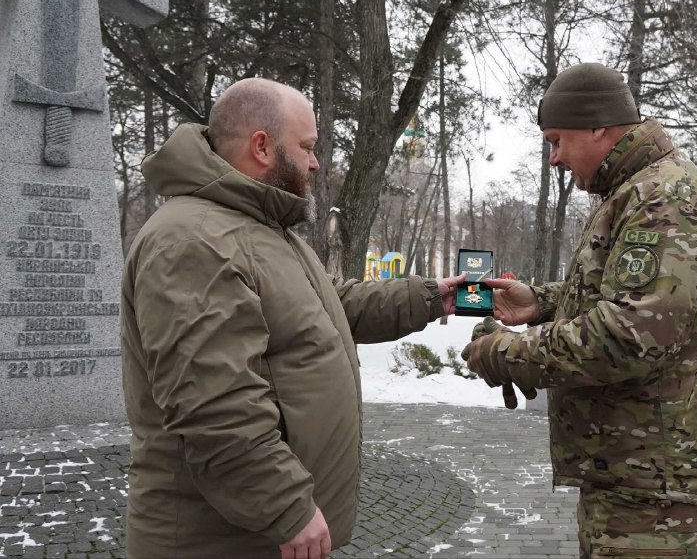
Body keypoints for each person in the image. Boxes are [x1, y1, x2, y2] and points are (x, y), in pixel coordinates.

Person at [120, 78, 464, 559]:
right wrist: (285, 506)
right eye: (307, 146)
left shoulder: (260, 231)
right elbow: (215, 403)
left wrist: (427, 298)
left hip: (254, 531)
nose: (316, 162)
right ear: (262, 146)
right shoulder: (194, 241)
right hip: (219, 539)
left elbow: (328, 306)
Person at [461, 62, 697, 558]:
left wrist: (506, 352)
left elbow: (629, 336)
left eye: (557, 140)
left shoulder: (666, 197)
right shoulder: (633, 193)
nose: (554, 158)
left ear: (597, 126)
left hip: (656, 489)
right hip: (633, 475)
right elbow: (627, 300)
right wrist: (543, 302)